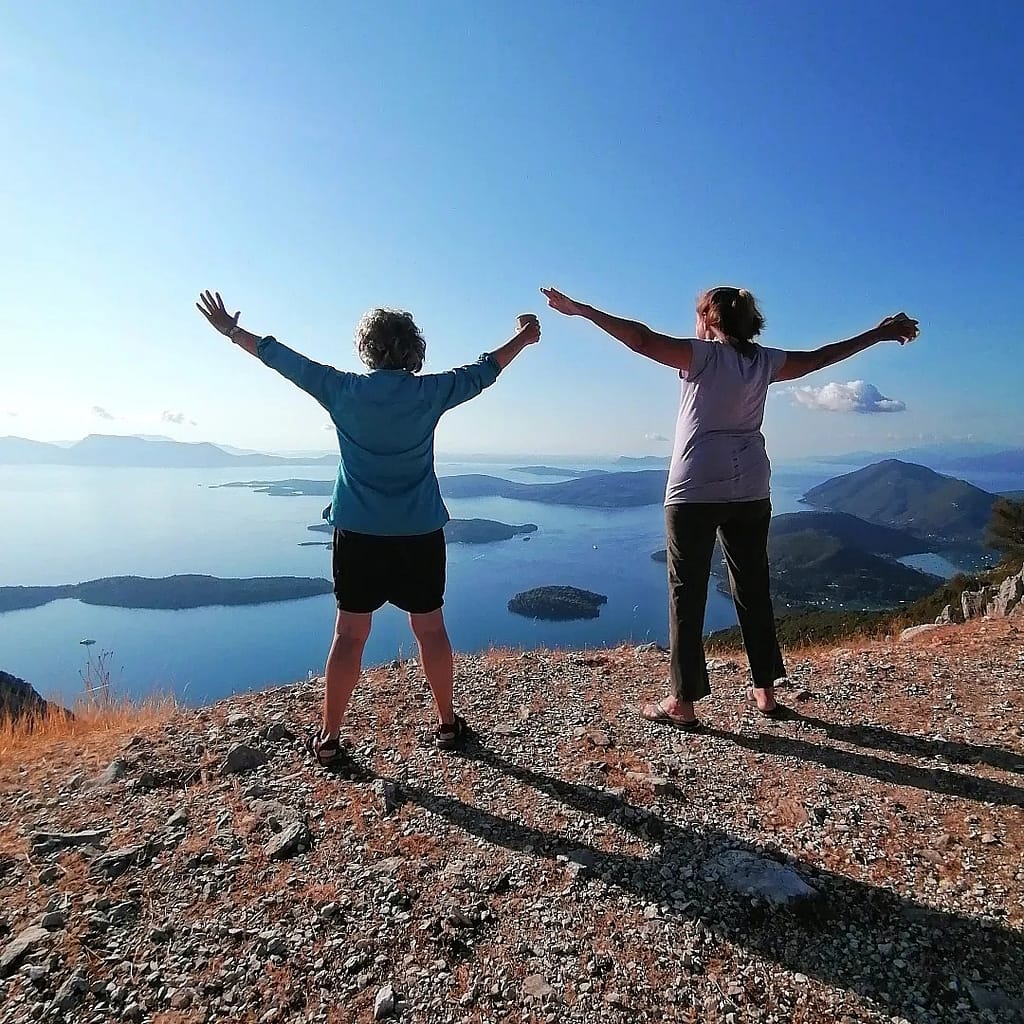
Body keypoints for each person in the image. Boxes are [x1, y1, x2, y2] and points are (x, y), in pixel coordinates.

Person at [541, 285, 918, 730]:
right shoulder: (765, 361)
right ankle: (765, 691)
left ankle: (683, 702)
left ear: (709, 320)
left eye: (698, 316)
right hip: (751, 486)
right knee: (753, 586)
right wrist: (878, 334)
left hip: (696, 487)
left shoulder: (703, 356)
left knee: (688, 591)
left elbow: (640, 339)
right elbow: (820, 357)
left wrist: (582, 310)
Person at [197, 291, 541, 763]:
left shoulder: (343, 391)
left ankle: (330, 739)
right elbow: (485, 370)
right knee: (431, 630)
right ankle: (446, 724)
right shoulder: (429, 393)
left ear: (368, 348)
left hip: (357, 533)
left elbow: (285, 360)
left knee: (349, 635)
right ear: (412, 350)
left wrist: (233, 332)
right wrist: (523, 337)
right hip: (418, 533)